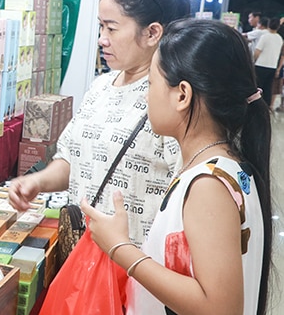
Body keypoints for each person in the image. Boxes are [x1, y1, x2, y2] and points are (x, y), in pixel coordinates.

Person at [82, 19, 272, 315]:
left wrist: (120, 248)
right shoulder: (221, 168)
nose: (147, 96)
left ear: (182, 95)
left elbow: (219, 307)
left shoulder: (208, 185)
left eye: (151, 85)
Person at [8, 0, 190, 247]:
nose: (102, 38)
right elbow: (72, 159)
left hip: (136, 267)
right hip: (84, 255)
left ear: (152, 32)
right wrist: (37, 182)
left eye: (112, 28)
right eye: (100, 26)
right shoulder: (101, 86)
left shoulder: (171, 100)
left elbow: (184, 194)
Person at [254, 17, 283, 109]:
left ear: (268, 25)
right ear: (278, 27)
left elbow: (257, 52)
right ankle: (266, 107)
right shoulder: (280, 39)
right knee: (268, 88)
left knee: (257, 87)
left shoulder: (265, 37)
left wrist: (254, 61)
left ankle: (255, 106)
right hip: (272, 66)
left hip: (260, 65)